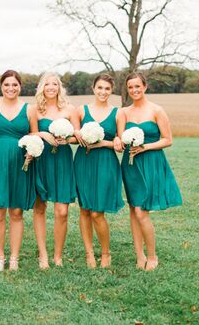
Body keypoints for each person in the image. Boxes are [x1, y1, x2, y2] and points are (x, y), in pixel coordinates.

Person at [116, 72, 183, 270]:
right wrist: (119, 142)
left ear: (145, 87)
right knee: (133, 209)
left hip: (150, 161)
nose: (134, 90)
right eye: (130, 87)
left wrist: (145, 146)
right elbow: (120, 138)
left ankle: (152, 256)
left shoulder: (156, 110)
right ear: (127, 90)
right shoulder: (124, 113)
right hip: (130, 164)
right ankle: (139, 255)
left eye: (138, 86)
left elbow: (167, 139)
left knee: (141, 210)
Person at [0, 69, 38, 270]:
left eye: (15, 85)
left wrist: (33, 150)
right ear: (1, 86)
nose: (11, 88)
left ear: (20, 87)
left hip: (21, 162)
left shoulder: (29, 109)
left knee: (16, 211)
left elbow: (34, 134)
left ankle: (14, 257)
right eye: (7, 84)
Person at [73, 73, 124, 268]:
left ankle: (105, 252)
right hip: (83, 162)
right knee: (85, 209)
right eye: (100, 88)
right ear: (93, 89)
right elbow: (74, 135)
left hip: (105, 163)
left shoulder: (118, 113)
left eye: (107, 89)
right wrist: (77, 132)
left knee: (97, 212)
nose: (103, 92)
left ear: (112, 91)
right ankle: (89, 254)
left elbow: (121, 144)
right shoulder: (81, 111)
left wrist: (105, 142)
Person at [32, 72, 78, 268]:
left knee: (62, 211)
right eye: (47, 84)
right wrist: (43, 133)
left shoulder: (69, 109)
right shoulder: (35, 109)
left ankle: (57, 255)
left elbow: (78, 136)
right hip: (41, 159)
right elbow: (31, 133)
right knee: (40, 207)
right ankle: (43, 255)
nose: (51, 87)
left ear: (60, 87)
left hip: (62, 160)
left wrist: (66, 139)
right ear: (42, 87)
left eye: (55, 84)